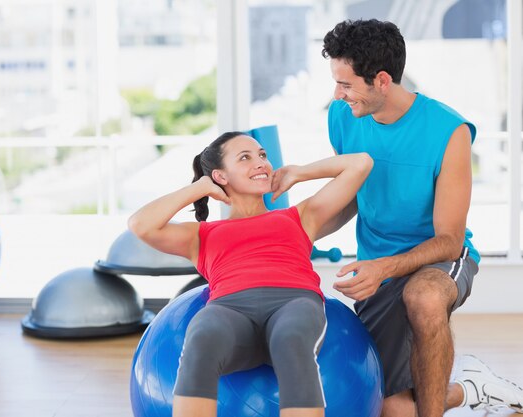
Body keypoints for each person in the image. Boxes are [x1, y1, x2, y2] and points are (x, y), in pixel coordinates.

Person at [306, 18, 523, 417]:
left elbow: (450, 240)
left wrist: (383, 267)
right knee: (393, 407)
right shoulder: (343, 117)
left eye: (346, 84)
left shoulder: (448, 131)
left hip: (438, 258)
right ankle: (468, 389)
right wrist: (296, 236)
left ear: (383, 80)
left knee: (421, 297)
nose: (337, 94)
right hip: (378, 269)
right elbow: (351, 199)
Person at [128, 131, 373, 417]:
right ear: (221, 176)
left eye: (262, 156)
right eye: (245, 158)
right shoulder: (201, 235)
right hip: (230, 309)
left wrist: (300, 173)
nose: (260, 163)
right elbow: (140, 224)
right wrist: (198, 188)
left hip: (294, 303)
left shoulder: (300, 216)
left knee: (291, 340)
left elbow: (361, 164)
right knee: (202, 337)